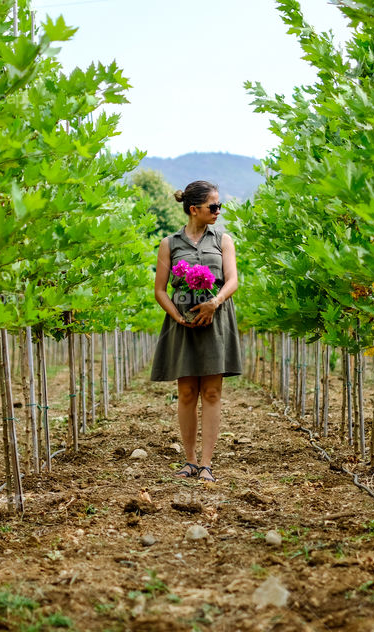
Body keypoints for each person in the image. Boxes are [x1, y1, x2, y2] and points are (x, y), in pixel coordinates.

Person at [149, 180, 242, 482]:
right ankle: (189, 461)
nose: (218, 211)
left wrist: (214, 302)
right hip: (184, 322)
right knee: (187, 392)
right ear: (193, 209)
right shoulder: (170, 244)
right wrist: (176, 316)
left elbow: (232, 281)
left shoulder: (223, 240)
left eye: (219, 206)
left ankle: (206, 464)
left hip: (216, 319)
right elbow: (160, 290)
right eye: (213, 206)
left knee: (212, 392)